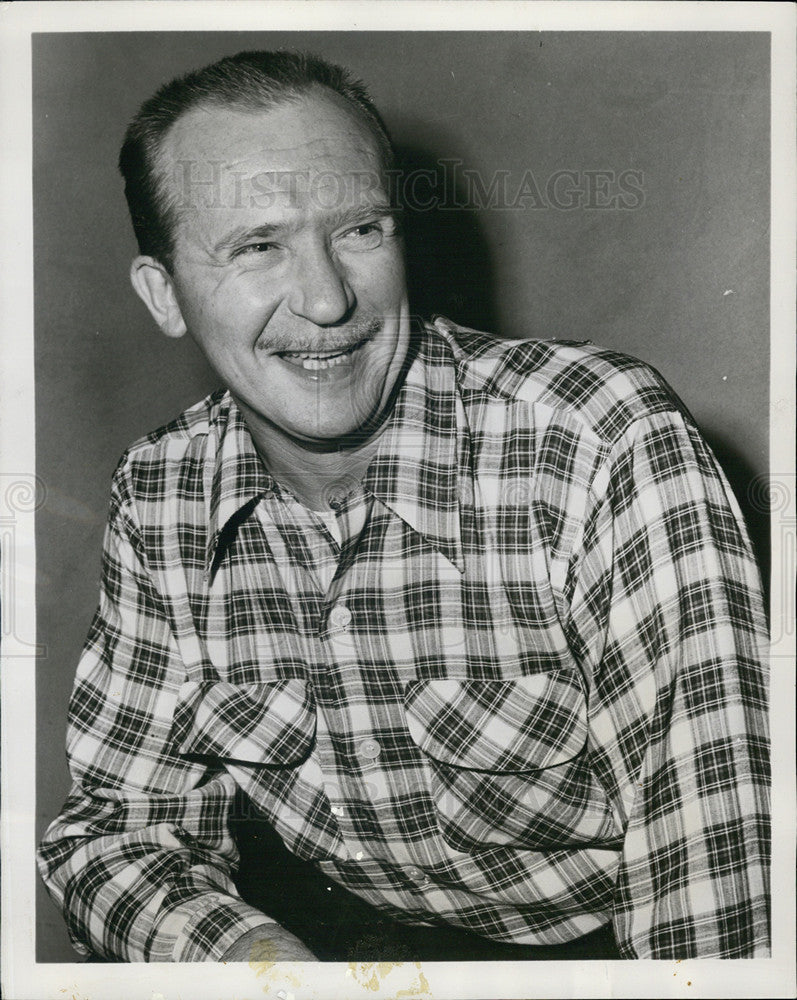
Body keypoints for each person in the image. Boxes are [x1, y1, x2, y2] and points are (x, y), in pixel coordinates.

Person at [37, 49, 770, 964]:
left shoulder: (598, 439)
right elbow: (115, 832)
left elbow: (714, 886)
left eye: (361, 231)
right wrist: (261, 967)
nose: (327, 298)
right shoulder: (161, 492)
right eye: (258, 246)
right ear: (164, 295)